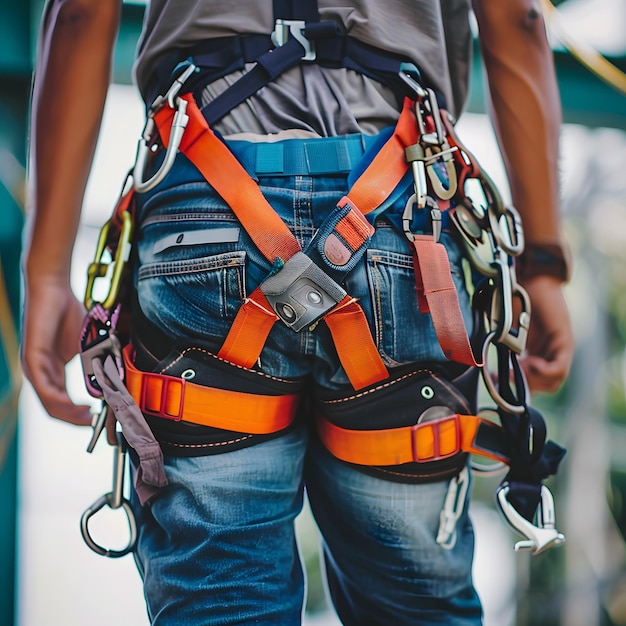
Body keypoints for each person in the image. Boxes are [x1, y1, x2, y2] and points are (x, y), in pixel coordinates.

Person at [22, 0, 574, 624]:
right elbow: (517, 20)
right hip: (402, 217)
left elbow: (79, 14)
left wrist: (45, 271)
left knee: (221, 602)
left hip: (206, 207)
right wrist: (543, 266)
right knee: (415, 604)